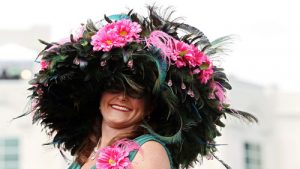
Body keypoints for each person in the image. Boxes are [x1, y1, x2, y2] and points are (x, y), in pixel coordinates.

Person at [25, 5, 257, 169]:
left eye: (136, 92)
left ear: (149, 107)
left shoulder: (148, 151)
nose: (123, 97)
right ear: (98, 95)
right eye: (116, 87)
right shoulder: (84, 156)